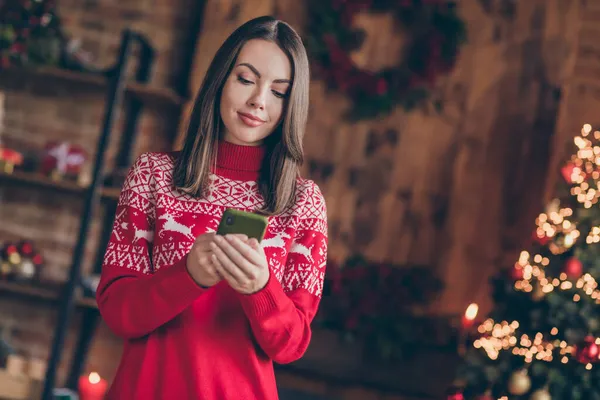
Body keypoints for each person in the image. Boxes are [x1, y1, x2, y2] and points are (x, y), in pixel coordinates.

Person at [96, 15, 328, 400]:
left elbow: (291, 345)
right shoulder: (152, 175)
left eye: (279, 91)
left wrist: (260, 289)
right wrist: (188, 274)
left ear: (292, 104)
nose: (259, 100)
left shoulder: (303, 204)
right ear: (220, 80)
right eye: (246, 79)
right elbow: (118, 313)